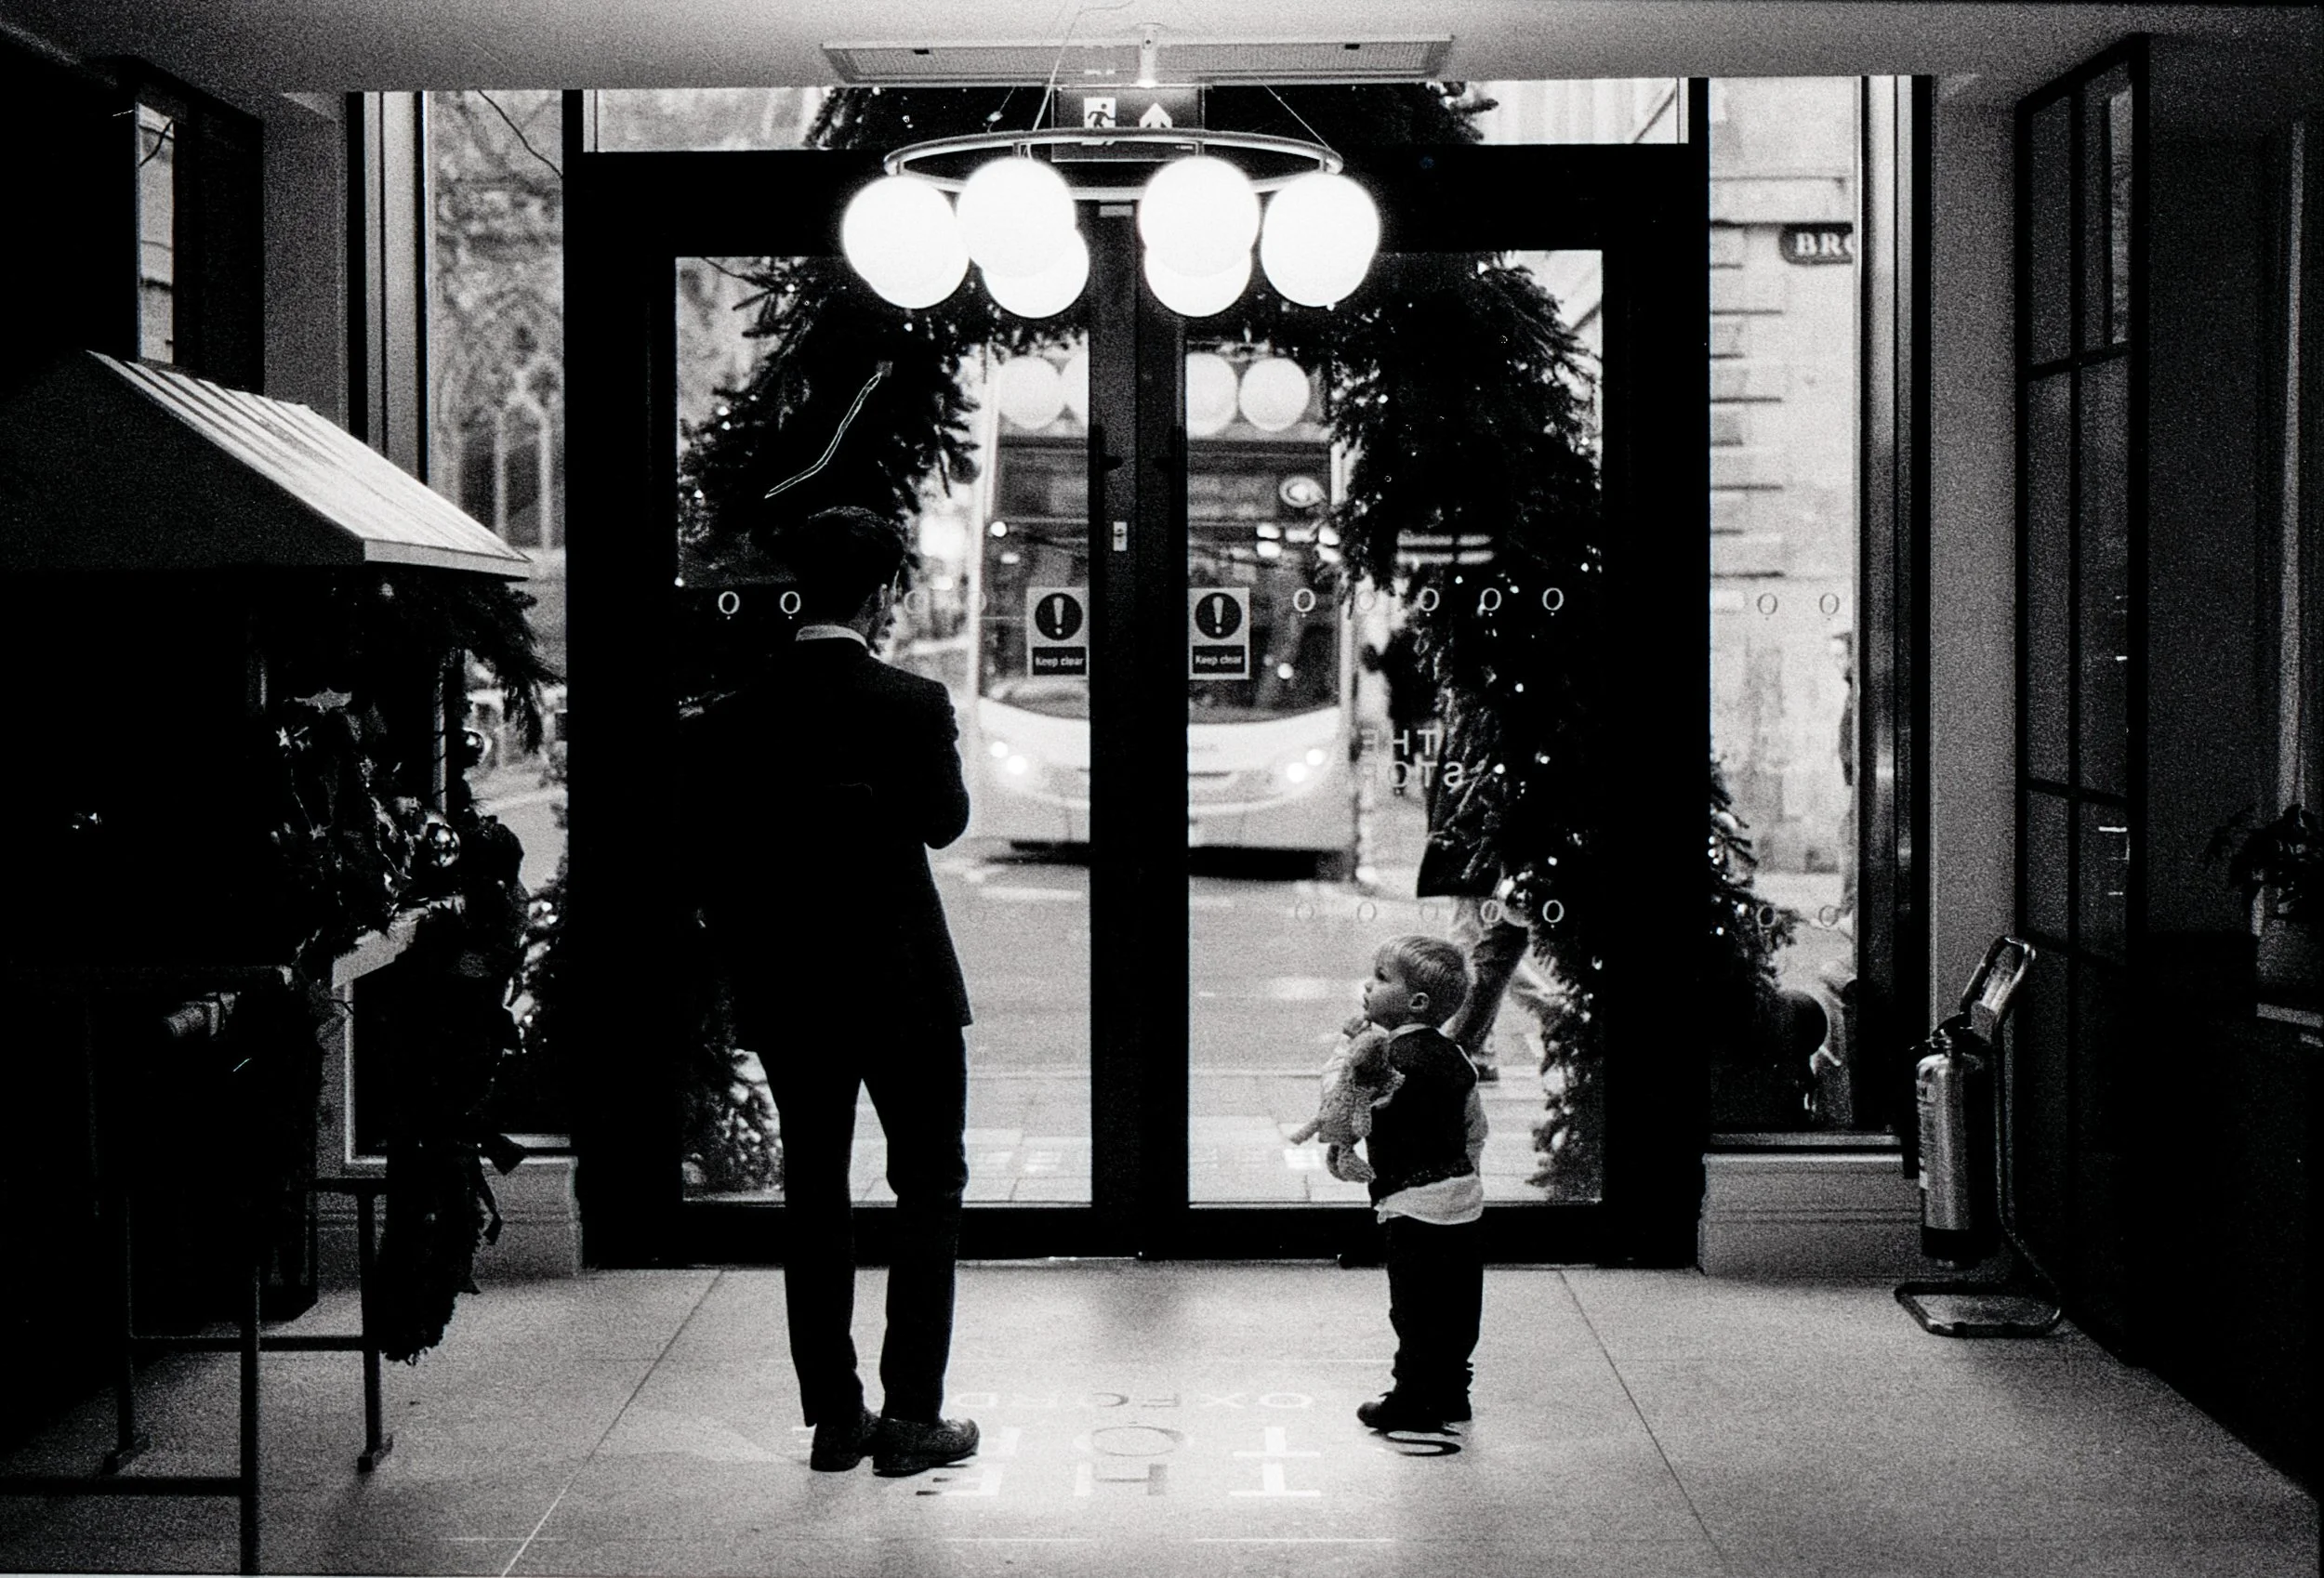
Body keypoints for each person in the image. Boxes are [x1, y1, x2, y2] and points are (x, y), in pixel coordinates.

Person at [677, 505, 979, 1478]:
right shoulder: (911, 702)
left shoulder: (735, 714)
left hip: (792, 988)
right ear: (884, 591)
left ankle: (834, 1417)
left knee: (814, 1193)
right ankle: (912, 1418)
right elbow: (943, 824)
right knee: (927, 1187)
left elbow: (709, 861)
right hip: (903, 982)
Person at [1346, 933, 1488, 1433]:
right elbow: (1476, 1128)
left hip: (1412, 1205)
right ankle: (1452, 1392)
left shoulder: (1389, 1062)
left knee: (1414, 1308)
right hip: (1462, 1202)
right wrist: (1467, 1172)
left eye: (1382, 978)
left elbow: (1353, 1116)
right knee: (1456, 1305)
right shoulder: (1457, 1056)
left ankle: (1411, 1397)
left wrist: (1352, 1059)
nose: (1368, 983)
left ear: (1416, 1002)